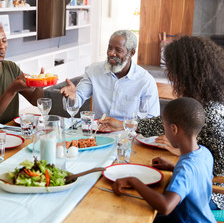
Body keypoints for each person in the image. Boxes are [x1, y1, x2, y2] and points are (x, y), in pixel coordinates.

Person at [102, 35, 224, 209]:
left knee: (138, 200)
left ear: (187, 72)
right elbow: (166, 122)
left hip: (212, 193)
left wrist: (178, 158)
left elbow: (218, 172)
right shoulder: (201, 102)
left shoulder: (211, 113)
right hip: (199, 181)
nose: (171, 76)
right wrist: (124, 124)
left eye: (173, 69)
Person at [112, 97, 216, 223]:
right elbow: (196, 179)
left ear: (173, 129)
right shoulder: (205, 153)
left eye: (164, 127)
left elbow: (166, 207)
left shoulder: (185, 168)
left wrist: (134, 181)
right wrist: (172, 167)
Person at [60, 30, 160, 120]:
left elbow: (153, 125)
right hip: (97, 134)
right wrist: (71, 99)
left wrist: (121, 125)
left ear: (131, 53)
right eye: (109, 48)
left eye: (118, 50)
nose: (111, 53)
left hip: (128, 136)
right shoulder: (94, 70)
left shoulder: (145, 81)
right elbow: (75, 103)